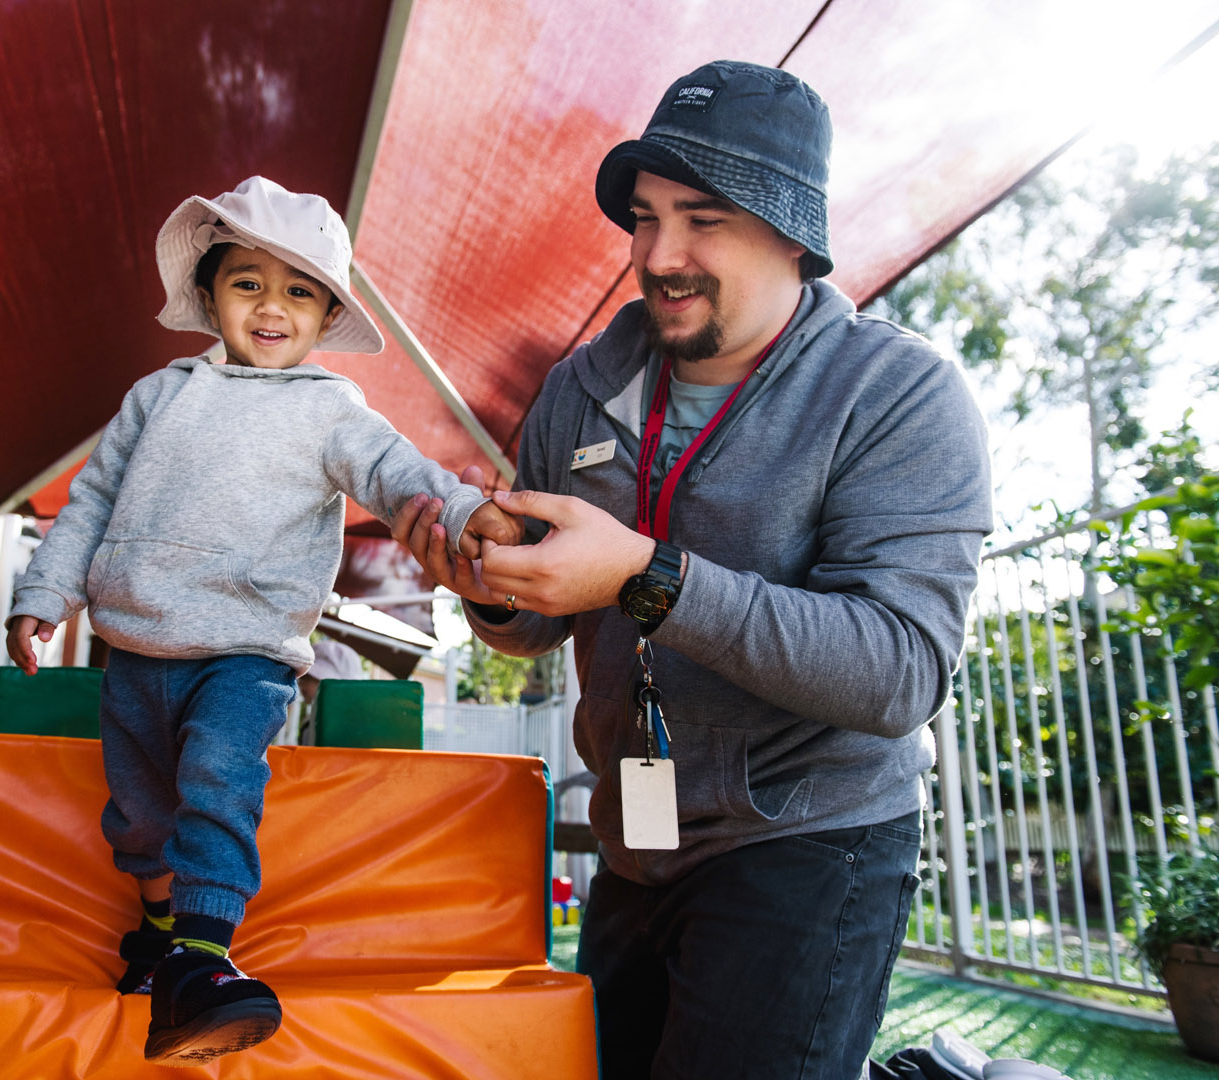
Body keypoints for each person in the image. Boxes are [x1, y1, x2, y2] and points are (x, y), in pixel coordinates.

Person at [392, 61, 992, 1079]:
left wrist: (645, 577)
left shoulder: (898, 393)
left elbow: (898, 673)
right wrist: (489, 587)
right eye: (643, 216)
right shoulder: (578, 389)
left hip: (809, 838)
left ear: (793, 232)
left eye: (703, 218)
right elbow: (545, 618)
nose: (658, 255)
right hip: (636, 834)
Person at [4, 175, 520, 1066]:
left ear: (325, 316)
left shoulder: (330, 410)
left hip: (247, 647)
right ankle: (159, 929)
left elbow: (399, 473)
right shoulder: (156, 397)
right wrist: (43, 593)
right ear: (209, 296)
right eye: (248, 282)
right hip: (136, 645)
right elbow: (89, 502)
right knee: (139, 819)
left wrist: (465, 511)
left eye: (297, 291)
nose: (271, 306)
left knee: (218, 776)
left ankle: (201, 960)